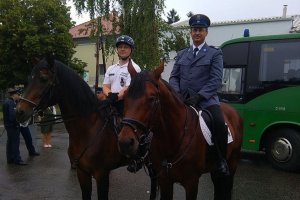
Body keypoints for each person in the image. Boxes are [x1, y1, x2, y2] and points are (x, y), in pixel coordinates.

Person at [169, 14, 230, 176]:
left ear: (206, 32)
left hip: (206, 100)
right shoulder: (182, 54)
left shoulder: (214, 53)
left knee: (219, 123)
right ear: (191, 32)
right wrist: (177, 93)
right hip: (183, 100)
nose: (197, 33)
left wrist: (200, 96)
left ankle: (221, 160)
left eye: (200, 30)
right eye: (194, 30)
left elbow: (216, 79)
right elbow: (174, 76)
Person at [102, 35, 141, 115]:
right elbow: (105, 86)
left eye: (126, 47)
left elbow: (128, 88)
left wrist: (115, 97)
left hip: (126, 106)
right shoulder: (111, 68)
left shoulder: (135, 68)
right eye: (120, 47)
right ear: (117, 49)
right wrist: (110, 95)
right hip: (111, 103)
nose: (122, 49)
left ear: (131, 50)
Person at [2, 88, 27, 165]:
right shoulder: (10, 103)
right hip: (12, 126)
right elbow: (11, 116)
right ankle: (17, 159)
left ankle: (10, 158)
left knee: (10, 142)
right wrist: (17, 123)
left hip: (9, 126)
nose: (19, 96)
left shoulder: (9, 102)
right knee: (15, 143)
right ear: (14, 95)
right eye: (18, 94)